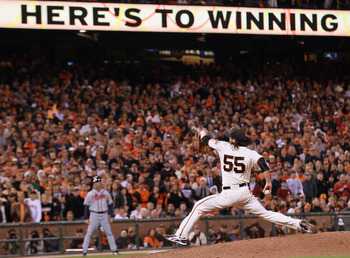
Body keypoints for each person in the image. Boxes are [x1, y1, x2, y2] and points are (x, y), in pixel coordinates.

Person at [167, 127, 316, 245]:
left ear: (232, 139)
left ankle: (181, 235)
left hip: (228, 194)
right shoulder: (249, 152)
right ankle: (298, 223)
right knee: (267, 214)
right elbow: (263, 164)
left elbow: (205, 139)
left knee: (199, 205)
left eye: (229, 135)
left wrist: (203, 132)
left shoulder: (223, 146)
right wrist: (268, 182)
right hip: (245, 193)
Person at [82, 176, 118, 256]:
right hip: (94, 214)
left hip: (104, 214)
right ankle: (84, 251)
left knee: (108, 232)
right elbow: (86, 207)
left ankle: (114, 250)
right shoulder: (90, 193)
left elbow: (110, 205)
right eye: (94, 183)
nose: (96, 184)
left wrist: (111, 215)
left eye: (97, 182)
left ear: (101, 183)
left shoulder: (105, 192)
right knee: (89, 232)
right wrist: (86, 218)